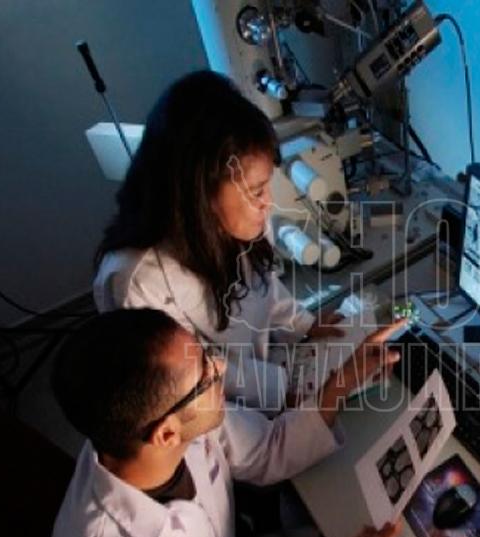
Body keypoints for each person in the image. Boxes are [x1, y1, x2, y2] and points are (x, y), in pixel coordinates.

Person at [43, 308, 405, 537]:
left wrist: (343, 380)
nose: (220, 368)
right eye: (205, 376)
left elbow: (268, 448)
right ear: (166, 435)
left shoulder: (153, 428)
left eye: (204, 354)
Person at [93, 70, 342, 412]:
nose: (268, 203)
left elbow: (267, 290)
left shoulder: (244, 222)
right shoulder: (136, 282)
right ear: (200, 193)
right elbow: (194, 377)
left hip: (269, 384)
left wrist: (305, 326)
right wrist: (282, 392)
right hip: (212, 417)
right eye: (256, 190)